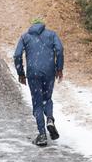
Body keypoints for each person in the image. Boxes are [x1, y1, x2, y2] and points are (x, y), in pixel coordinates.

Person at [14, 18, 64, 147]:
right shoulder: (51, 35)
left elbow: (17, 55)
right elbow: (59, 50)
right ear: (43, 25)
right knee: (47, 98)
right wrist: (59, 68)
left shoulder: (25, 37)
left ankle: (42, 135)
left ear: (32, 25)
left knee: (37, 102)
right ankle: (50, 120)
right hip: (49, 71)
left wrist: (21, 73)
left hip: (33, 72)